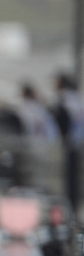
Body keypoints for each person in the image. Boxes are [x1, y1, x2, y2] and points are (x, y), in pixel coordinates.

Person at [52, 72, 84, 215]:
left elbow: (66, 121)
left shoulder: (65, 99)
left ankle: (69, 209)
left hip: (71, 144)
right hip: (76, 143)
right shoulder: (76, 98)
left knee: (68, 180)